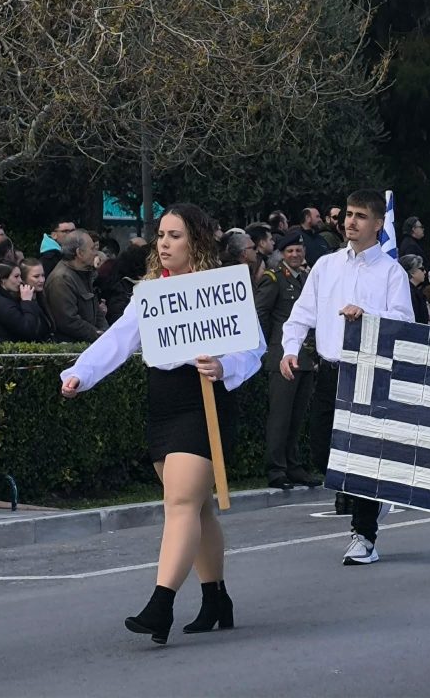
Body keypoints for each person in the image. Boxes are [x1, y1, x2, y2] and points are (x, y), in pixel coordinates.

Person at [60, 203, 265, 646]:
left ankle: (161, 604)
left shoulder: (224, 287)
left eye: (175, 235)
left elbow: (254, 349)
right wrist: (80, 372)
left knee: (180, 503)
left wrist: (224, 366)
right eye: (161, 235)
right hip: (164, 402)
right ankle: (216, 598)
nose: (165, 243)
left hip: (205, 401)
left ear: (197, 242)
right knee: (196, 507)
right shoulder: (150, 291)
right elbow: (118, 339)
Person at [281, 189, 414, 565]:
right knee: (325, 453)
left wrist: (367, 313)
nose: (350, 222)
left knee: (362, 458)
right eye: (348, 215)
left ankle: (364, 535)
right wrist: (291, 349)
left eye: (359, 216)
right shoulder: (326, 266)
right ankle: (372, 500)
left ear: (377, 224)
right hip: (330, 370)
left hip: (370, 372)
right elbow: (303, 313)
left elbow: (405, 322)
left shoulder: (391, 272)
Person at [255, 232, 321, 490]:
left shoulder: (305, 278)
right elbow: (261, 314)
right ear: (282, 254)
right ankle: (276, 469)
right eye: (290, 251)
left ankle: (293, 465)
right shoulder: (273, 279)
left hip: (304, 358)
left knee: (297, 417)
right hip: (281, 355)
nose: (295, 255)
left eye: (299, 251)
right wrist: (266, 349)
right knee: (280, 416)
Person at [45, 230, 107, 342]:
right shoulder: (61, 279)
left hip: (88, 344)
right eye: (92, 249)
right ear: (79, 253)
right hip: (71, 348)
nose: (96, 253)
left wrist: (105, 332)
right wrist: (98, 335)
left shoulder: (84, 273)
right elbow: (68, 321)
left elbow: (97, 312)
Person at [0, 264, 45, 343]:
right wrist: (27, 301)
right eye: (16, 276)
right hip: (3, 349)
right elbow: (27, 330)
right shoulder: (1, 304)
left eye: (20, 276)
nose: (20, 280)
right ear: (3, 280)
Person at [399, 254, 430, 325]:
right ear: (412, 272)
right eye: (422, 269)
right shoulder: (408, 293)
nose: (425, 272)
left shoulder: (414, 291)